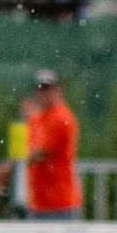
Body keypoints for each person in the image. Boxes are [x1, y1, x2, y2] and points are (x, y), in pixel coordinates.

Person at [24, 69, 81, 222]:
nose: (44, 93)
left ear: (58, 90)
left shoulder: (61, 118)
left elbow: (37, 154)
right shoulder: (36, 118)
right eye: (40, 89)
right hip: (38, 202)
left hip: (60, 204)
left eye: (48, 88)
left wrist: (2, 171)